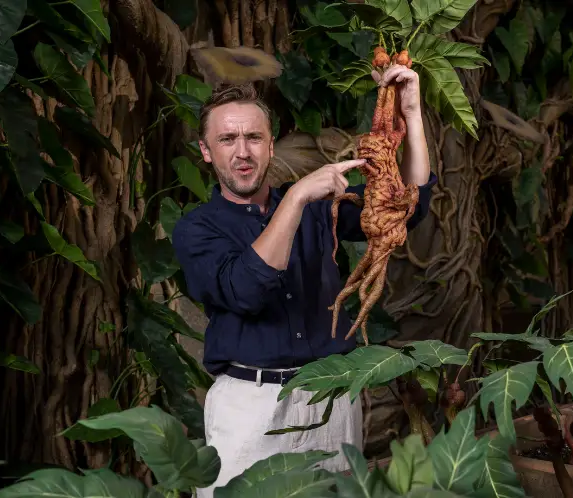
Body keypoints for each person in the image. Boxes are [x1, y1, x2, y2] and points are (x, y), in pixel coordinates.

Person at [171, 63, 437, 496]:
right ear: (205, 151)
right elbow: (247, 290)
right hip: (249, 408)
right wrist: (294, 197)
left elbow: (408, 209)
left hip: (330, 400)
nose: (243, 152)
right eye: (227, 139)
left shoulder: (318, 208)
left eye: (254, 137)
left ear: (271, 145)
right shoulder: (196, 229)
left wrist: (410, 112)